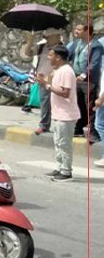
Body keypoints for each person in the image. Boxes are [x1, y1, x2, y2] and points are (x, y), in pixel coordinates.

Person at [37, 45, 78, 182]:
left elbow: (65, 92)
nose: (49, 58)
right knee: (58, 142)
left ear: (58, 57)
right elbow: (53, 85)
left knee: (64, 143)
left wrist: (47, 86)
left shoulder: (66, 71)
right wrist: (45, 81)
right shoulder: (59, 70)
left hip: (66, 114)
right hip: (59, 113)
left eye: (51, 55)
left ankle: (66, 171)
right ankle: (60, 167)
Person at [26, 28, 64, 133]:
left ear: (56, 36)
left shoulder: (61, 49)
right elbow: (28, 53)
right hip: (41, 79)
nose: (46, 39)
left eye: (49, 37)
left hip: (55, 79)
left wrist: (50, 78)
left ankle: (57, 125)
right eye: (46, 37)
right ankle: (44, 125)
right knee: (45, 102)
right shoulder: (42, 47)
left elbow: (61, 65)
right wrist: (30, 40)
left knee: (57, 104)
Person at [73, 26, 103, 140]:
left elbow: (94, 63)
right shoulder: (77, 44)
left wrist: (84, 75)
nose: (76, 31)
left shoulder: (95, 46)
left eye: (79, 29)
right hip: (78, 79)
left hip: (89, 80)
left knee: (89, 105)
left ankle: (93, 132)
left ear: (87, 32)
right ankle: (79, 127)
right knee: (79, 104)